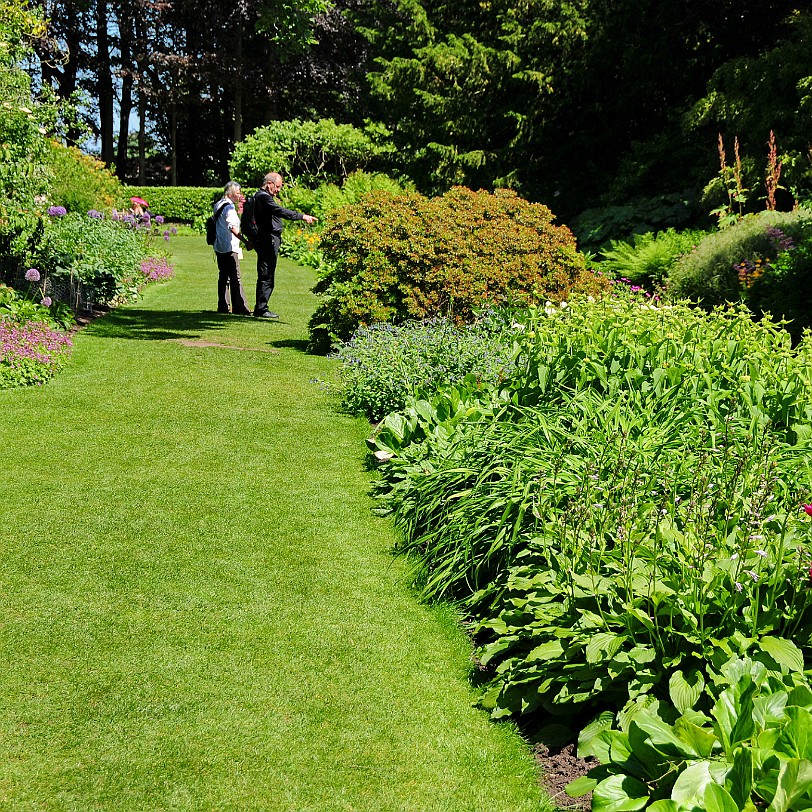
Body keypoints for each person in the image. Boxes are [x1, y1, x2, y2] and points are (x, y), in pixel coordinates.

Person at [251, 172, 316, 319]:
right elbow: (280, 211)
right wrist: (302, 216)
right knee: (266, 274)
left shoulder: (261, 197)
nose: (279, 190)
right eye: (278, 186)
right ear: (269, 184)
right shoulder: (263, 198)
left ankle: (261, 307)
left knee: (267, 273)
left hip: (267, 240)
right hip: (268, 240)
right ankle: (261, 308)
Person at [212, 181, 252, 315]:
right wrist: (245, 241)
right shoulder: (229, 208)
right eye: (238, 193)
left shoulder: (218, 204)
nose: (239, 196)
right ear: (230, 194)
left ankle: (223, 306)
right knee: (236, 277)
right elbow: (232, 227)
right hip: (229, 246)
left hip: (219, 245)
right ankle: (240, 307)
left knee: (224, 277)